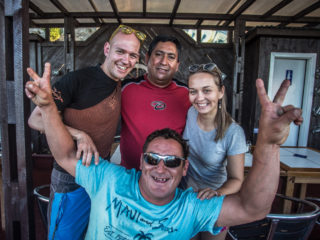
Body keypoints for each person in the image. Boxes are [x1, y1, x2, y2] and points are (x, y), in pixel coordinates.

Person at [25, 62, 303, 239]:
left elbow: (253, 207)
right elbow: (64, 155)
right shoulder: (111, 179)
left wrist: (268, 144)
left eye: (171, 161)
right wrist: (49, 107)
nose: (160, 167)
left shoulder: (190, 206)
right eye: (152, 158)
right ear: (141, 163)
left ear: (184, 167)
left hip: (208, 192)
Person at [27, 25, 145, 239]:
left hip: (101, 174)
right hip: (69, 176)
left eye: (132, 55)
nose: (126, 60)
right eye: (120, 51)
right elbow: (35, 119)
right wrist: (80, 134)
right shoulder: (77, 80)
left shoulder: (121, 84)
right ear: (107, 49)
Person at [181, 63, 246, 240]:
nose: (199, 98)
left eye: (207, 90)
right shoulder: (190, 113)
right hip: (187, 197)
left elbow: (237, 179)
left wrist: (217, 193)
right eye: (193, 91)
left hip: (215, 201)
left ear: (221, 92)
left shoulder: (233, 132)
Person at [120, 35, 190, 170]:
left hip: (169, 178)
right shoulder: (125, 89)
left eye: (171, 57)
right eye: (158, 54)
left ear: (177, 65)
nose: (164, 62)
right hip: (130, 176)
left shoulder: (188, 94)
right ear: (147, 58)